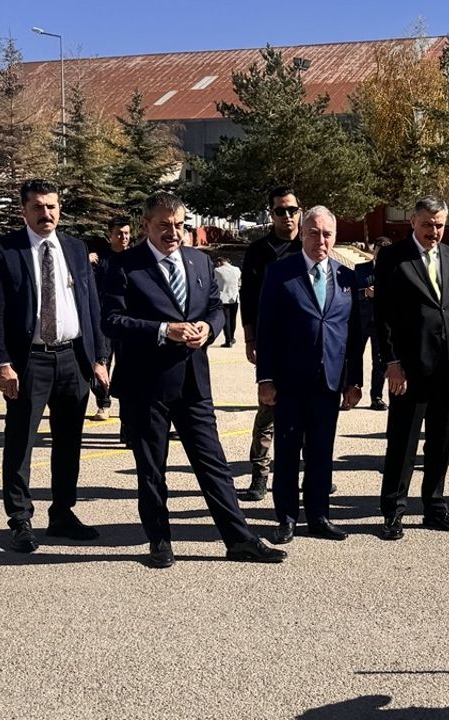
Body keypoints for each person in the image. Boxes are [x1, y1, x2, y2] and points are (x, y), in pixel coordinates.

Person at [101, 191, 285, 569]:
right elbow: (111, 321)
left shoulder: (199, 262)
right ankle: (159, 540)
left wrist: (209, 327)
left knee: (213, 463)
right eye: (164, 226)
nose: (173, 232)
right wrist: (163, 330)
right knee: (152, 467)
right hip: (146, 386)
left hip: (194, 385)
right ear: (146, 226)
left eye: (180, 225)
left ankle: (239, 539)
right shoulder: (124, 266)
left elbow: (216, 308)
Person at [0, 179, 110, 553]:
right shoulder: (6, 251)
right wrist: (3, 362)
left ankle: (63, 514)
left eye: (52, 206)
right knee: (20, 443)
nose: (46, 213)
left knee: (69, 442)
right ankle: (20, 519)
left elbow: (91, 307)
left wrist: (99, 358)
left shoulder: (73, 247)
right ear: (24, 210)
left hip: (72, 359)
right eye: (38, 207)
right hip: (28, 362)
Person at [256, 206, 363, 544]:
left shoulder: (346, 277)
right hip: (289, 381)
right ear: (303, 234)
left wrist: (354, 380)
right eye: (314, 233)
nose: (321, 240)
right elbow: (266, 329)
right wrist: (266, 378)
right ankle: (286, 518)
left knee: (320, 452)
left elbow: (355, 335)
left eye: (327, 234)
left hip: (329, 381)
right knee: (287, 452)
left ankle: (319, 515)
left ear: (335, 237)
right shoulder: (279, 273)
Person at [373, 196, 449, 540]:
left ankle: (434, 506)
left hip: (447, 366)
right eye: (428, 224)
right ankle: (393, 510)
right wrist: (392, 363)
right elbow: (383, 317)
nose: (434, 231)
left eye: (440, 225)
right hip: (410, 367)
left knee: (440, 441)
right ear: (413, 224)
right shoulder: (392, 258)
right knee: (403, 442)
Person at [239, 187, 303, 501]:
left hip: (307, 344)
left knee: (307, 414)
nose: (287, 216)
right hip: (272, 343)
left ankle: (310, 472)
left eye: (292, 209)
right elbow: (247, 298)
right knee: (268, 409)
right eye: (280, 210)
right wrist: (250, 338)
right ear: (271, 214)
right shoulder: (259, 251)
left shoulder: (312, 245)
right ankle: (259, 475)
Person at [89, 217, 132, 422]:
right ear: (110, 235)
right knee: (102, 362)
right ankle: (103, 404)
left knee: (126, 367)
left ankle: (127, 411)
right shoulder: (100, 259)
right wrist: (86, 261)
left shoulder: (136, 258)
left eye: (126, 233)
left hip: (127, 322)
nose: (123, 237)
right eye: (119, 233)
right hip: (103, 320)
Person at [354, 237, 392, 411]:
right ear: (373, 249)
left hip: (381, 324)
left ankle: (376, 397)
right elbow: (349, 294)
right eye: (379, 248)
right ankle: (350, 393)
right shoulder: (360, 269)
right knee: (354, 358)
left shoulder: (394, 271)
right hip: (361, 320)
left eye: (385, 248)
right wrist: (364, 293)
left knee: (380, 361)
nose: (381, 251)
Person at [213, 256, 241, 347]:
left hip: (223, 297)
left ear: (219, 262)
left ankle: (228, 340)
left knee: (226, 320)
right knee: (233, 319)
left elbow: (213, 282)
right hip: (235, 297)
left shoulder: (217, 270)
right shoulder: (237, 269)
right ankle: (232, 338)